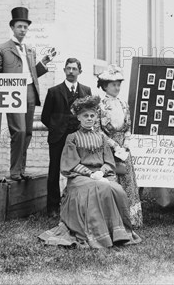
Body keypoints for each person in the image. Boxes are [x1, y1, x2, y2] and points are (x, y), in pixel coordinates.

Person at [38, 95, 141, 248]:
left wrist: (102, 171)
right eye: (85, 116)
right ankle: (99, 234)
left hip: (100, 174)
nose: (89, 119)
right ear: (78, 117)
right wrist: (90, 174)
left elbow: (109, 161)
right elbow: (70, 163)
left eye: (92, 116)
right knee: (98, 187)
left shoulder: (101, 137)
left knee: (117, 188)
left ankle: (118, 233)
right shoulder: (72, 137)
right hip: (79, 177)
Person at [0, 7, 55, 181]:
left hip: (30, 91)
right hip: (12, 94)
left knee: (27, 132)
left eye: (25, 27)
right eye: (19, 26)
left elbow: (31, 73)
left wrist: (43, 62)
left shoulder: (30, 50)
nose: (23, 30)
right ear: (12, 27)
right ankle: (14, 171)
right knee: (18, 131)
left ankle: (21, 170)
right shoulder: (1, 48)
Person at [41, 58, 92, 217]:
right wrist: (57, 128)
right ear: (64, 70)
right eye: (68, 68)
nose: (71, 71)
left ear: (80, 72)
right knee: (55, 170)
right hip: (58, 138)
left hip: (80, 137)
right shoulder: (54, 91)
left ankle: (79, 204)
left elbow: (89, 113)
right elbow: (45, 117)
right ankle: (53, 208)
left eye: (74, 69)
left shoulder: (86, 91)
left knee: (81, 168)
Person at [97, 64, 143, 228]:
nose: (116, 87)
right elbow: (97, 129)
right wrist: (114, 145)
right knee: (112, 181)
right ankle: (112, 220)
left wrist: (127, 143)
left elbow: (129, 127)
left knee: (127, 181)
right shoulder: (100, 105)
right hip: (108, 149)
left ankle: (130, 219)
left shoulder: (124, 104)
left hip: (124, 149)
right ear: (105, 86)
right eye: (113, 84)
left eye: (118, 84)